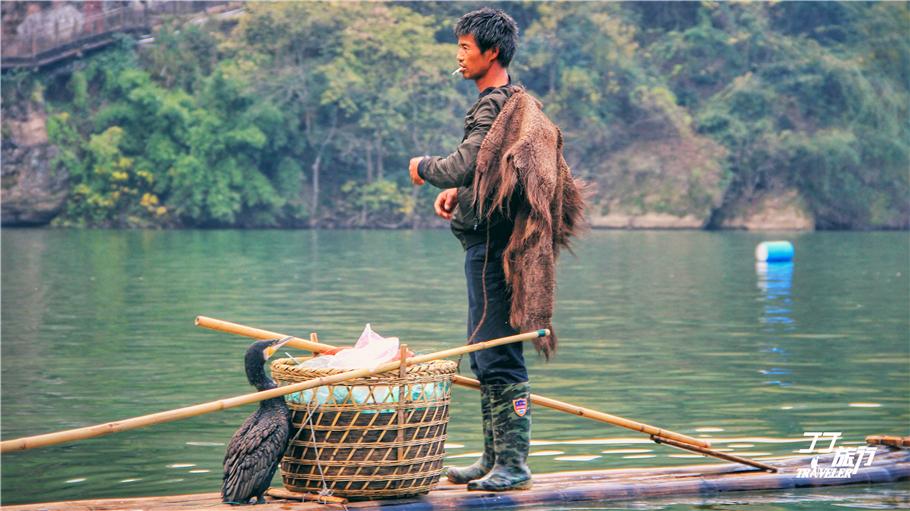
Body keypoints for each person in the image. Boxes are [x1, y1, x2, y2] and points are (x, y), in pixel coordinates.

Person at [409, 8, 587, 492]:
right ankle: (493, 459)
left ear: (491, 53)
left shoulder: (494, 106)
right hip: (488, 246)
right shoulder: (506, 103)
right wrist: (461, 193)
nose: (459, 56)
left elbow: (466, 162)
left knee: (498, 353)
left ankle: (513, 465)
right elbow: (490, 171)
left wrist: (424, 167)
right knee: (484, 352)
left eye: (466, 47)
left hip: (493, 251)